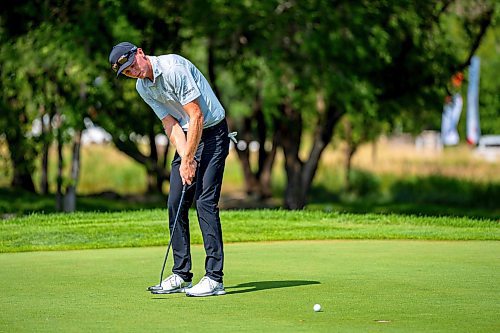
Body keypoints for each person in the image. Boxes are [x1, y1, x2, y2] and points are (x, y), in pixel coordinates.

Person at [109, 42, 230, 297]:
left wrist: (189, 160)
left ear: (140, 53)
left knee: (205, 201)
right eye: (127, 72)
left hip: (212, 131)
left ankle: (214, 278)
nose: (133, 72)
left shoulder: (173, 68)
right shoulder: (143, 87)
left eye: (132, 66)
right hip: (187, 135)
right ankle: (181, 273)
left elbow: (196, 115)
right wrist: (187, 157)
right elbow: (170, 124)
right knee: (176, 200)